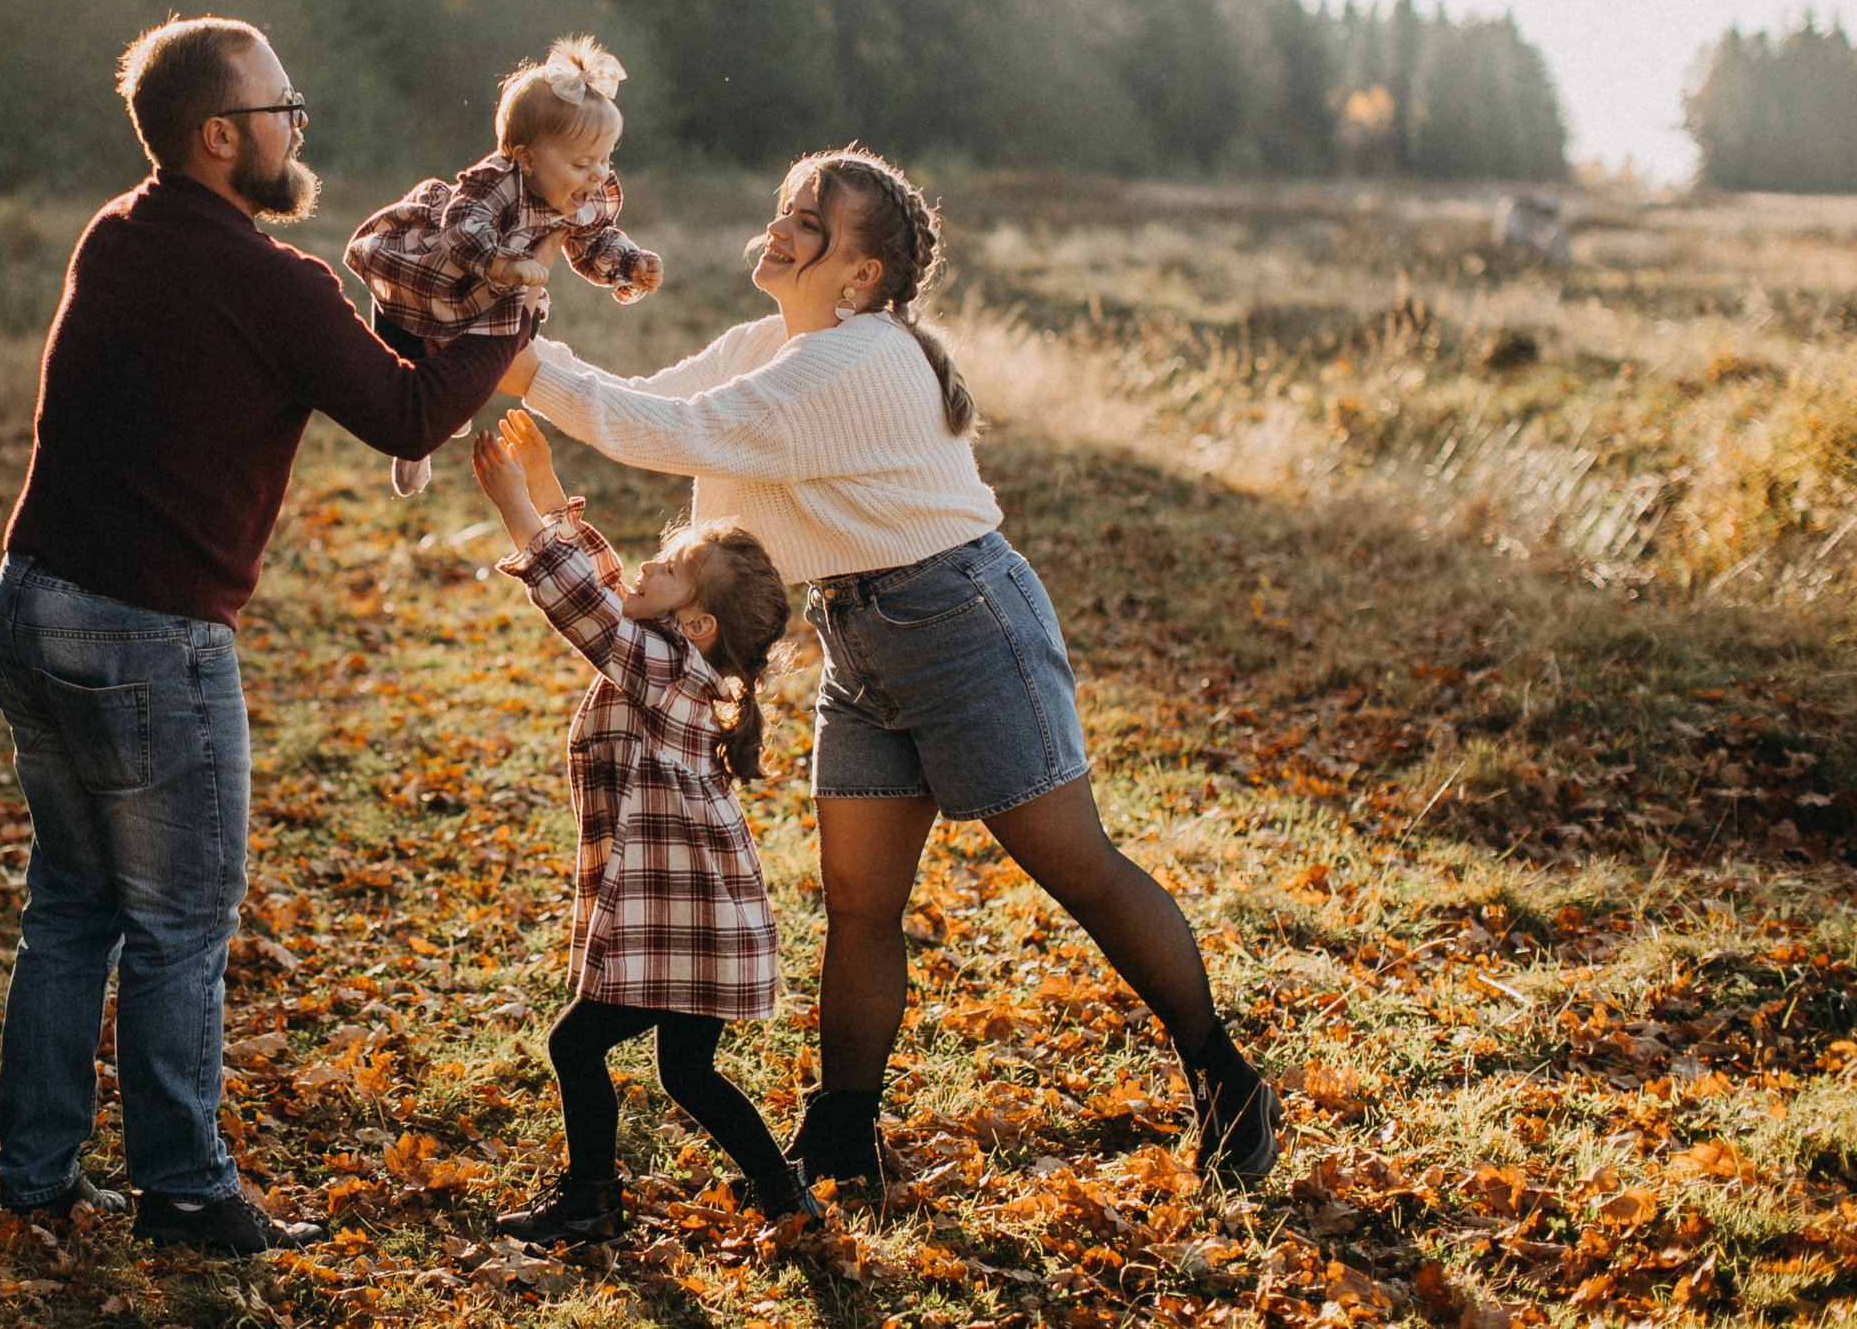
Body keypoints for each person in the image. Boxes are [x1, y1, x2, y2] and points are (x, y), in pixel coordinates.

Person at [502, 148, 1281, 1191]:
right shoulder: (772, 343)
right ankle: (842, 1134)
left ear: (861, 274)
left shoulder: (860, 357)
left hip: (962, 624)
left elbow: (676, 432)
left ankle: (1225, 1076)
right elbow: (646, 400)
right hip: (857, 630)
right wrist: (510, 341)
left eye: (808, 221)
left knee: (1077, 868)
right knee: (859, 899)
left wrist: (512, 358)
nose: (779, 228)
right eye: (784, 208)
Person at [0, 16, 535, 1254]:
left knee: (69, 909)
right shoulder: (268, 279)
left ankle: (36, 1179)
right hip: (145, 638)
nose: (298, 128)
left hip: (31, 606)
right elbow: (407, 415)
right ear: (218, 136)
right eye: (281, 110)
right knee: (178, 922)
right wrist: (512, 322)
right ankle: (184, 1191)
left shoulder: (118, 232)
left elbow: (354, 365)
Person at [468, 412, 822, 1245]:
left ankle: (592, 1201)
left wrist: (516, 507)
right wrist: (547, 489)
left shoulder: (665, 667)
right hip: (697, 919)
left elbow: (585, 609)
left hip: (678, 920)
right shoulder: (678, 654)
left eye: (674, 567)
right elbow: (609, 588)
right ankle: (786, 1197)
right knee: (687, 1071)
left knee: (576, 1045)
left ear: (697, 624)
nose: (653, 561)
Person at [344, 35, 662, 495]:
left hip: (493, 295)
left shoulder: (583, 193)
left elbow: (595, 240)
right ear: (527, 159)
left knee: (516, 336)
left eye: (605, 159)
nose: (597, 175)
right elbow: (462, 227)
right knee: (400, 341)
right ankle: (413, 445)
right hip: (436, 273)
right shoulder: (497, 181)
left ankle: (454, 404)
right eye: (581, 163)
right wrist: (502, 262)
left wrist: (630, 263)